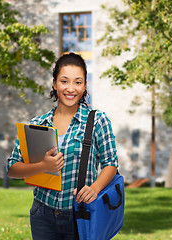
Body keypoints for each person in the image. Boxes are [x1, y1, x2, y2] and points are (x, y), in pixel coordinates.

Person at [7, 52, 118, 240]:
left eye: (78, 82)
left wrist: (95, 188)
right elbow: (12, 168)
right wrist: (43, 166)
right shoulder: (38, 124)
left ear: (84, 86)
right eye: (64, 81)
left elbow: (111, 163)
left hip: (81, 214)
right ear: (54, 83)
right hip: (43, 215)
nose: (71, 88)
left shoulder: (97, 121)